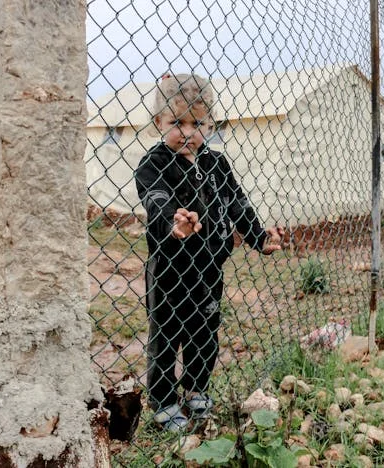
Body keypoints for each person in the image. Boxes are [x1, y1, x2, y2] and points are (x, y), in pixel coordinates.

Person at [134, 73, 285, 432]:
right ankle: (164, 401)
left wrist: (258, 237)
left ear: (210, 124)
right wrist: (174, 222)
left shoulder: (216, 164)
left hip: (209, 268)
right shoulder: (153, 163)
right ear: (159, 122)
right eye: (177, 122)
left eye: (197, 124)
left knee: (205, 333)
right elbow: (155, 199)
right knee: (166, 336)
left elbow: (237, 204)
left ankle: (196, 390)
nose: (187, 132)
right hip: (169, 269)